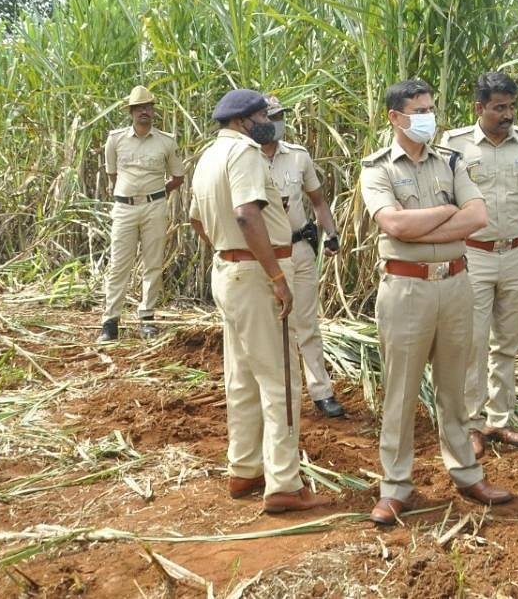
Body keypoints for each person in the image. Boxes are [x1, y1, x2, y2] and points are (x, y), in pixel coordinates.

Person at [359, 78, 515, 526]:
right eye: (419, 109)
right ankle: (395, 487)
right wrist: (449, 214)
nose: (429, 115)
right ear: (395, 118)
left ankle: (466, 473)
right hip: (406, 290)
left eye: (431, 107)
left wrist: (428, 223)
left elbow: (479, 217)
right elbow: (393, 225)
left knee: (454, 388)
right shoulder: (377, 168)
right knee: (401, 392)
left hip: (455, 286)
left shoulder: (450, 160)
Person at [189, 88, 328, 514]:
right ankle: (284, 482)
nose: (270, 119)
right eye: (264, 113)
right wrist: (273, 275)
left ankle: (245, 467)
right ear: (246, 120)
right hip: (257, 274)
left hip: (228, 272)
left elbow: (197, 220)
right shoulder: (246, 153)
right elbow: (247, 215)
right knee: (280, 379)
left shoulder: (208, 156)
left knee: (242, 377)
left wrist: (231, 253)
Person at [440, 72, 518, 459]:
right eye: (499, 107)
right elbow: (442, 199)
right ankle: (471, 423)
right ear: (479, 108)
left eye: (511, 106)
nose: (508, 114)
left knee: (507, 341)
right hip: (472, 254)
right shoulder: (454, 145)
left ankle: (500, 419)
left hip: (517, 253)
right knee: (472, 341)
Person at [261, 96, 346, 419]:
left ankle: (321, 391)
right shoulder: (245, 158)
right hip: (263, 256)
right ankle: (276, 394)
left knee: (307, 323)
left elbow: (318, 200)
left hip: (299, 250)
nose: (277, 122)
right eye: (271, 116)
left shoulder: (298, 157)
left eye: (280, 115)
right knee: (269, 327)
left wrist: (332, 235)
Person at [98, 85, 186, 343]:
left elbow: (178, 177)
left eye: (148, 107)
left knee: (153, 263)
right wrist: (131, 194)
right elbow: (112, 175)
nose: (144, 112)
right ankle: (110, 321)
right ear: (131, 112)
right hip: (124, 208)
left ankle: (147, 318)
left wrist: (157, 193)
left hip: (154, 207)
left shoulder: (166, 141)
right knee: (118, 264)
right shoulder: (115, 140)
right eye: (139, 108)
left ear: (153, 111)